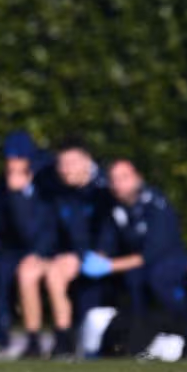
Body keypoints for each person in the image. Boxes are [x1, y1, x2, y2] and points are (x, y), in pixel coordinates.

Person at [83, 159, 187, 354]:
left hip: (165, 268)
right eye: (113, 179)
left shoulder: (156, 205)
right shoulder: (114, 208)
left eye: (124, 178)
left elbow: (150, 254)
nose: (118, 184)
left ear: (137, 178)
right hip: (135, 271)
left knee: (153, 282)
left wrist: (109, 265)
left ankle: (186, 335)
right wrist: (94, 260)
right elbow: (106, 244)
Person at [0, 131, 54, 358]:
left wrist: (18, 197)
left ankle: (36, 338)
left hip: (43, 249)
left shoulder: (45, 184)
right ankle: (0, 336)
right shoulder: (1, 187)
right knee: (0, 273)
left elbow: (36, 230)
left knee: (26, 273)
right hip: (12, 251)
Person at [44, 140, 110, 358]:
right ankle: (63, 338)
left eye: (71, 163)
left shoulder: (103, 191)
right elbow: (52, 232)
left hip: (103, 257)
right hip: (72, 257)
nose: (65, 169)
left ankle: (68, 340)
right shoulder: (59, 193)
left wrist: (87, 255)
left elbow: (108, 232)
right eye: (61, 164)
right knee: (46, 270)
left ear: (87, 163)